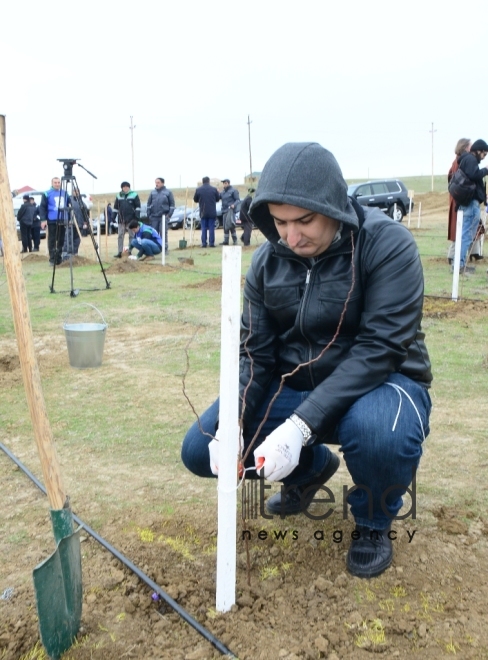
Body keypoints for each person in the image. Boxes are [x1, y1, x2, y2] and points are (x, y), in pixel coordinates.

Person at [182, 142, 432, 579]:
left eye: (304, 220)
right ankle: (310, 469)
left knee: (377, 433)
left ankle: (373, 523)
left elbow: (381, 348)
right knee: (201, 448)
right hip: (296, 388)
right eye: (279, 222)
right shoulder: (266, 263)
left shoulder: (388, 245)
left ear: (333, 206)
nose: (292, 237)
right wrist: (234, 423)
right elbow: (255, 355)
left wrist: (299, 427)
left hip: (383, 384)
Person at [455, 139, 488, 272]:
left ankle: (459, 264)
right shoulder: (470, 160)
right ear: (478, 150)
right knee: (467, 235)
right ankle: (460, 266)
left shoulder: (466, 160)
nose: (484, 156)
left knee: (465, 234)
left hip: (468, 202)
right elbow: (474, 175)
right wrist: (486, 170)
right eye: (484, 153)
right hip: (470, 203)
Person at [39, 177, 70, 265]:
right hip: (52, 219)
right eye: (55, 182)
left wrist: (69, 217)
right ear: (52, 183)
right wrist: (43, 219)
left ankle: (59, 258)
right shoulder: (47, 193)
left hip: (62, 218)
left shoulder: (65, 193)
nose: (57, 184)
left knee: (61, 239)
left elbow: (69, 204)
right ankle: (52, 259)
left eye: (58, 182)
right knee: (52, 239)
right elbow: (42, 207)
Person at [146, 178, 175, 254]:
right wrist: (149, 214)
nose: (156, 184)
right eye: (156, 182)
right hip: (154, 217)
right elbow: (148, 204)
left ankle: (164, 249)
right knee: (153, 234)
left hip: (163, 216)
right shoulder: (152, 193)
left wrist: (169, 215)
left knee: (163, 233)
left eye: (158, 182)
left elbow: (172, 205)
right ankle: (154, 249)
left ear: (162, 183)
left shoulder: (168, 192)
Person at [113, 181, 141, 258]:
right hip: (121, 219)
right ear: (122, 188)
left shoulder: (134, 195)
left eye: (127, 186)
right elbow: (115, 207)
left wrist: (137, 217)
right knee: (120, 235)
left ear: (129, 187)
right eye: (124, 187)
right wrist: (113, 216)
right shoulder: (118, 196)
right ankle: (120, 252)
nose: (125, 188)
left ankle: (129, 251)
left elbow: (138, 207)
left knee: (131, 236)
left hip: (131, 220)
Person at [194, 176, 220, 248]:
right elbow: (218, 199)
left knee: (203, 227)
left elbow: (195, 199)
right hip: (212, 211)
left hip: (203, 211)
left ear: (202, 181)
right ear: (209, 181)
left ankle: (204, 243)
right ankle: (211, 243)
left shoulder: (198, 189)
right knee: (211, 227)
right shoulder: (214, 189)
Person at [62, 189, 87, 259]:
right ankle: (67, 254)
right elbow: (65, 211)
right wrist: (68, 220)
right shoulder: (69, 200)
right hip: (71, 223)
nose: (76, 193)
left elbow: (85, 212)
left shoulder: (81, 202)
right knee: (68, 239)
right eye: (75, 191)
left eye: (77, 191)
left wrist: (85, 222)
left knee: (77, 240)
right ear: (72, 192)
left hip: (80, 224)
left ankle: (75, 253)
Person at [219, 179, 240, 245]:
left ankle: (235, 240)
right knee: (225, 226)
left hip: (230, 211)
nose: (224, 184)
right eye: (223, 183)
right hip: (224, 211)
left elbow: (238, 200)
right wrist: (217, 193)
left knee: (231, 225)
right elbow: (218, 198)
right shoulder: (222, 192)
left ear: (228, 183)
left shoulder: (234, 191)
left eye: (225, 183)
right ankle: (226, 241)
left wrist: (234, 205)